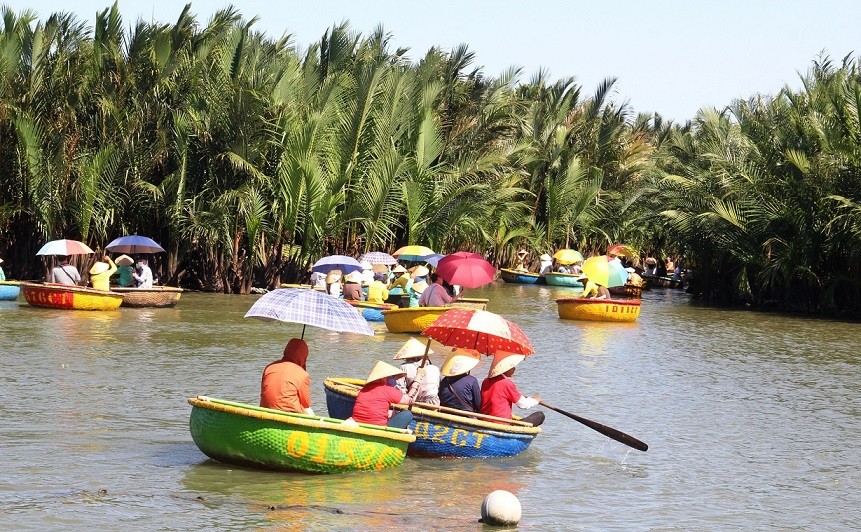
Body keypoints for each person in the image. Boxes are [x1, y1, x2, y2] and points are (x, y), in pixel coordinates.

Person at [480, 351, 544, 426]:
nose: (514, 369)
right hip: (501, 422)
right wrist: (535, 400)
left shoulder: (486, 381)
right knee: (540, 415)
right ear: (506, 369)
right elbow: (522, 404)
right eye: (512, 367)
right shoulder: (507, 383)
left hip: (485, 420)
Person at [349, 360, 414, 428]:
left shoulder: (363, 390)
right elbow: (409, 400)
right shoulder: (387, 390)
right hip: (378, 427)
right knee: (407, 414)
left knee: (391, 413)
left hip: (358, 424)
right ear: (384, 378)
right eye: (392, 377)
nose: (393, 379)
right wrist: (417, 381)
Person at [260, 338, 314, 415]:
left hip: (266, 411)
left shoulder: (269, 367)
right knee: (309, 412)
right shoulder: (303, 374)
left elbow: (263, 393)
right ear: (304, 356)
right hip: (290, 414)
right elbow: (306, 403)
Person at [393, 337, 440, 405]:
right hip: (434, 402)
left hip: (414, 402)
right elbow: (438, 388)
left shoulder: (404, 367)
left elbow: (400, 389)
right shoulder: (435, 368)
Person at [438, 348, 482, 413]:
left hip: (445, 412)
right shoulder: (472, 380)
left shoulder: (445, 380)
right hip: (465, 415)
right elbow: (478, 404)